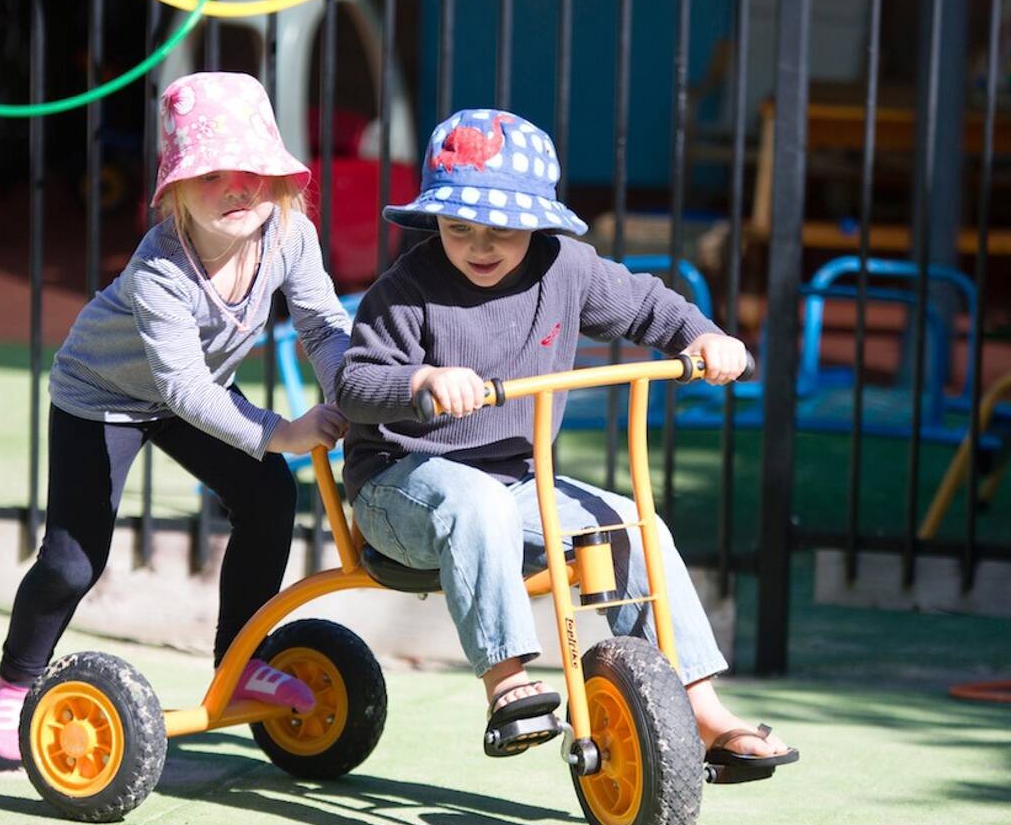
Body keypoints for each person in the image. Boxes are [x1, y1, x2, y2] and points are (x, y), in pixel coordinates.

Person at [336, 108, 797, 776]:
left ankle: (700, 706)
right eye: (459, 227)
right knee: (475, 502)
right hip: (401, 485)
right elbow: (353, 383)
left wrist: (700, 335)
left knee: (631, 525)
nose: (479, 244)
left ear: (540, 222)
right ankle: (506, 682)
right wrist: (422, 380)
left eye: (502, 229)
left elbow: (646, 305)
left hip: (518, 484)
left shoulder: (566, 268)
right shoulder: (406, 290)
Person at [0, 72, 351, 762]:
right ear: (177, 189)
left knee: (270, 493)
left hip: (192, 392)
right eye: (213, 173)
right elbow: (180, 385)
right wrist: (283, 432)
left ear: (277, 178)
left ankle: (237, 658)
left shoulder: (290, 235)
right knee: (73, 559)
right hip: (103, 393)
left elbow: (325, 327)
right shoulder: (161, 267)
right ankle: (17, 682)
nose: (237, 186)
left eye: (253, 168)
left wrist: (351, 389)